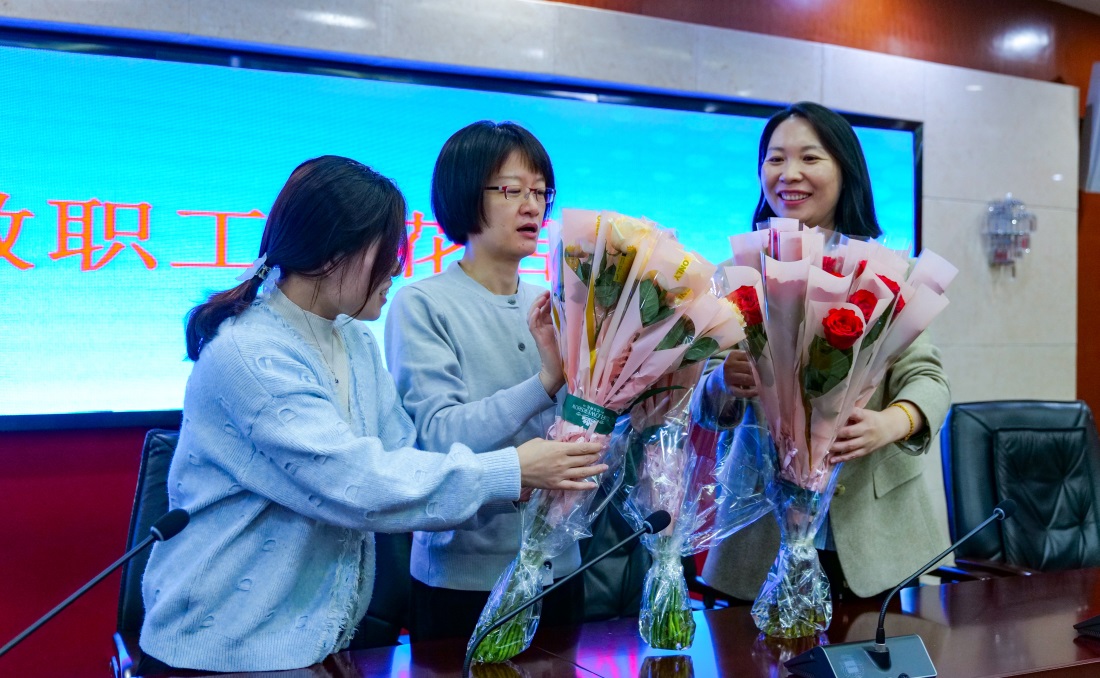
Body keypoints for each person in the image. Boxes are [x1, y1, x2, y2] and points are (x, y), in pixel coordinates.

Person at [137, 155, 605, 673]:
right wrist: (511, 470)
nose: (398, 269)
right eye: (387, 253)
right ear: (331, 253)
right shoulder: (249, 353)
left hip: (315, 647)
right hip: (225, 651)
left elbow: (406, 460)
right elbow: (355, 481)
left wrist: (521, 480)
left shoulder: (354, 338)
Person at [700, 102, 952, 601]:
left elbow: (928, 378)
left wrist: (892, 422)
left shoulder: (888, 272)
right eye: (775, 159)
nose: (789, 173)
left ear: (845, 169)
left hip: (874, 536)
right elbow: (703, 404)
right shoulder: (737, 271)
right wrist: (723, 380)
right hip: (759, 533)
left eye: (810, 158)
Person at [385, 121, 599, 641]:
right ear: (464, 194)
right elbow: (436, 436)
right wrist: (544, 382)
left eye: (540, 192)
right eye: (511, 190)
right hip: (463, 581)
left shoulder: (558, 303)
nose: (532, 207)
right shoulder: (423, 303)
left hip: (561, 570)